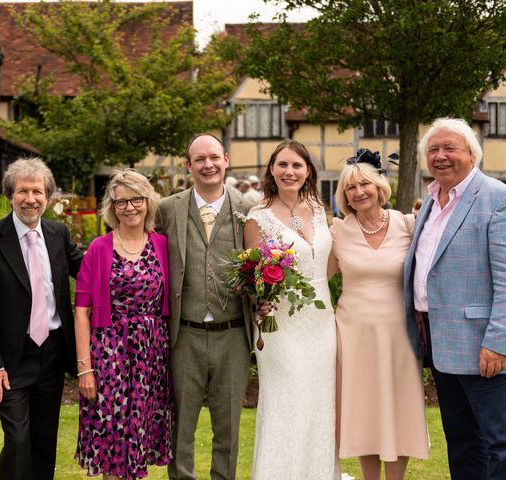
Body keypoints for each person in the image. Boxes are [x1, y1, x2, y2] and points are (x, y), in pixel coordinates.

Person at [0, 157, 82, 480]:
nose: (30, 199)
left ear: (48, 196)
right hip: (9, 360)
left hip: (53, 354)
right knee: (17, 439)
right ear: (10, 195)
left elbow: (88, 273)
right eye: (22, 191)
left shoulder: (58, 233)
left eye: (37, 192)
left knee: (44, 440)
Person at [404, 117, 506, 480]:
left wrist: (497, 341)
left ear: (472, 154)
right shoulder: (431, 201)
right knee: (462, 441)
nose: (440, 156)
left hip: (484, 348)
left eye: (450, 148)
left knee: (499, 444)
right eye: (433, 150)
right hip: (441, 345)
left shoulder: (496, 196)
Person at [328, 149, 429, 480]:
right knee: (364, 412)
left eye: (364, 185)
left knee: (398, 409)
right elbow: (315, 281)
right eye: (350, 188)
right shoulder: (337, 231)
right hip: (353, 334)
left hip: (399, 334)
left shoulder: (407, 224)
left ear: (379, 187)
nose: (358, 192)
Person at [155, 133, 252, 480]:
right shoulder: (168, 209)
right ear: (189, 165)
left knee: (228, 427)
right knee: (181, 425)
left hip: (233, 333)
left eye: (214, 157)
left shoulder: (249, 208)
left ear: (226, 159)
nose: (208, 165)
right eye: (200, 159)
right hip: (185, 334)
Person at [244, 139, 339, 479]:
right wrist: (261, 299)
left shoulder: (317, 208)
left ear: (308, 171)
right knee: (287, 400)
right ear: (271, 169)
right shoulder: (258, 217)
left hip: (321, 320)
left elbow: (327, 265)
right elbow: (253, 277)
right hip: (280, 323)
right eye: (283, 165)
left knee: (318, 403)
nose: (290, 171)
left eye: (297, 165)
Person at [74, 169, 171, 479]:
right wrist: (85, 368)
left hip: (150, 359)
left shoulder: (162, 246)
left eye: (136, 199)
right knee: (113, 440)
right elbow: (81, 312)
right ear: (112, 208)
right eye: (121, 202)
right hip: (108, 356)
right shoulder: (98, 248)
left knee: (138, 438)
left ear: (148, 202)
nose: (129, 207)